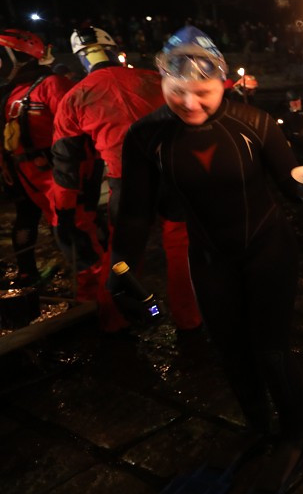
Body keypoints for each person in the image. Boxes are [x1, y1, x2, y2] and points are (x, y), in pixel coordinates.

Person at [110, 25, 303, 481]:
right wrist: (120, 268)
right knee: (230, 349)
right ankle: (257, 426)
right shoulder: (145, 137)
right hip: (210, 258)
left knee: (270, 350)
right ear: (163, 83)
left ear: (223, 84)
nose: (191, 104)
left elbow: (294, 188)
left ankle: (294, 434)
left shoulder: (254, 124)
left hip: (267, 251)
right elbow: (136, 214)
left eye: (203, 91)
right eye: (178, 91)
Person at [51, 25, 200, 332]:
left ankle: (114, 320)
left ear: (82, 58)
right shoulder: (152, 79)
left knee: (122, 255)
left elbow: (66, 164)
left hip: (128, 185)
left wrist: (63, 212)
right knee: (181, 246)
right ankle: (190, 319)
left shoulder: (74, 98)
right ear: (113, 50)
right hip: (173, 175)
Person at [0, 29, 73, 288]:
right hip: (21, 172)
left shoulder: (51, 84)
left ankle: (82, 275)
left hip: (50, 170)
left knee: (62, 220)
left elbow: (72, 126)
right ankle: (26, 273)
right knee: (26, 218)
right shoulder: (9, 91)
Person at [279, 90, 303, 163]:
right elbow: (282, 128)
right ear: (289, 103)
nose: (296, 104)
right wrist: (286, 140)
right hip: (293, 141)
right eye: (293, 102)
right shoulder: (284, 114)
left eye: (297, 101)